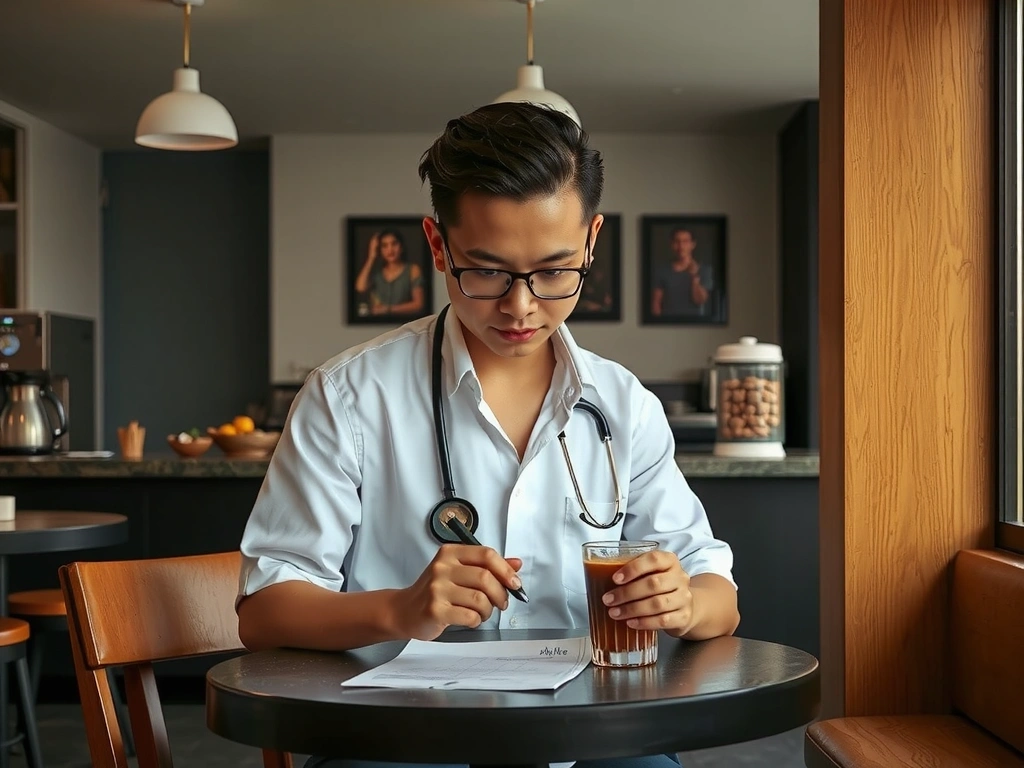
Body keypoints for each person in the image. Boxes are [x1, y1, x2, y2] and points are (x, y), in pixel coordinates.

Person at [236, 102, 739, 768]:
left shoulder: (623, 407)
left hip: (587, 738)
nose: (521, 306)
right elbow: (265, 610)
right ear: (438, 244)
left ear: (592, 241)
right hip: (401, 739)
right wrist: (399, 610)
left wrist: (680, 602)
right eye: (488, 271)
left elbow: (717, 596)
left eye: (556, 271)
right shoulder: (349, 397)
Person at [353, 228, 426, 316]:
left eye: (394, 244)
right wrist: (371, 257)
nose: (390, 250)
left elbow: (418, 305)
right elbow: (360, 287)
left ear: (401, 247)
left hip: (405, 323)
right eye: (384, 245)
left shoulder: (413, 270)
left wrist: (388, 309)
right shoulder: (376, 273)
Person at [650, 227, 712, 317]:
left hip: (695, 325)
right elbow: (656, 303)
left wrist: (694, 277)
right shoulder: (661, 271)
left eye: (685, 241)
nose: (681, 246)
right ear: (672, 244)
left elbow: (700, 300)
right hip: (667, 324)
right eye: (677, 241)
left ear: (693, 244)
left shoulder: (705, 270)